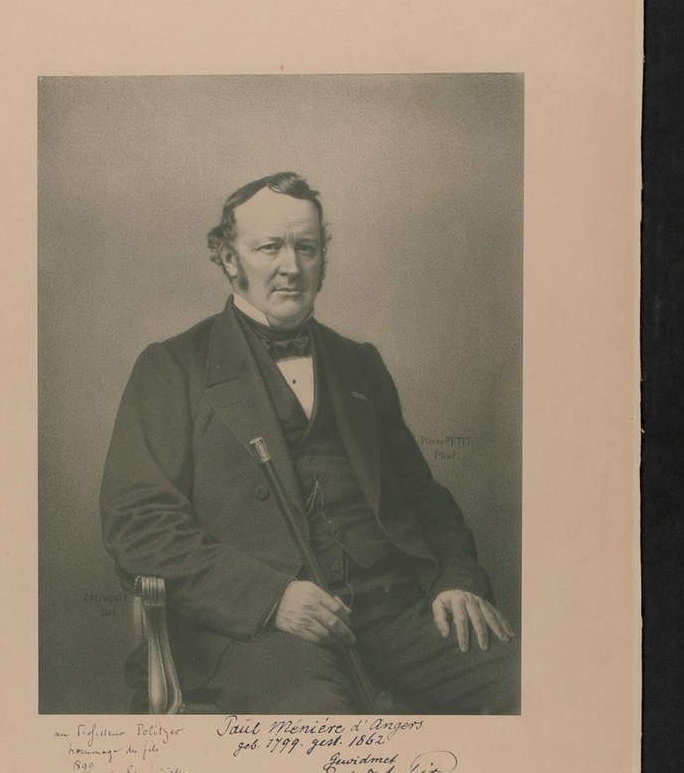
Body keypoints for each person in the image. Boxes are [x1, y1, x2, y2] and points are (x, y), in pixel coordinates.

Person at [100, 172, 518, 714]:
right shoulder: (171, 368)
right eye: (269, 248)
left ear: (324, 258)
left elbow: (422, 496)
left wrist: (456, 579)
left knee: (529, 684)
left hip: (393, 610)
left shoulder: (360, 363)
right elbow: (139, 524)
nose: (291, 267)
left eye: (306, 248)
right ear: (229, 258)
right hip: (259, 629)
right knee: (323, 730)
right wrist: (271, 597)